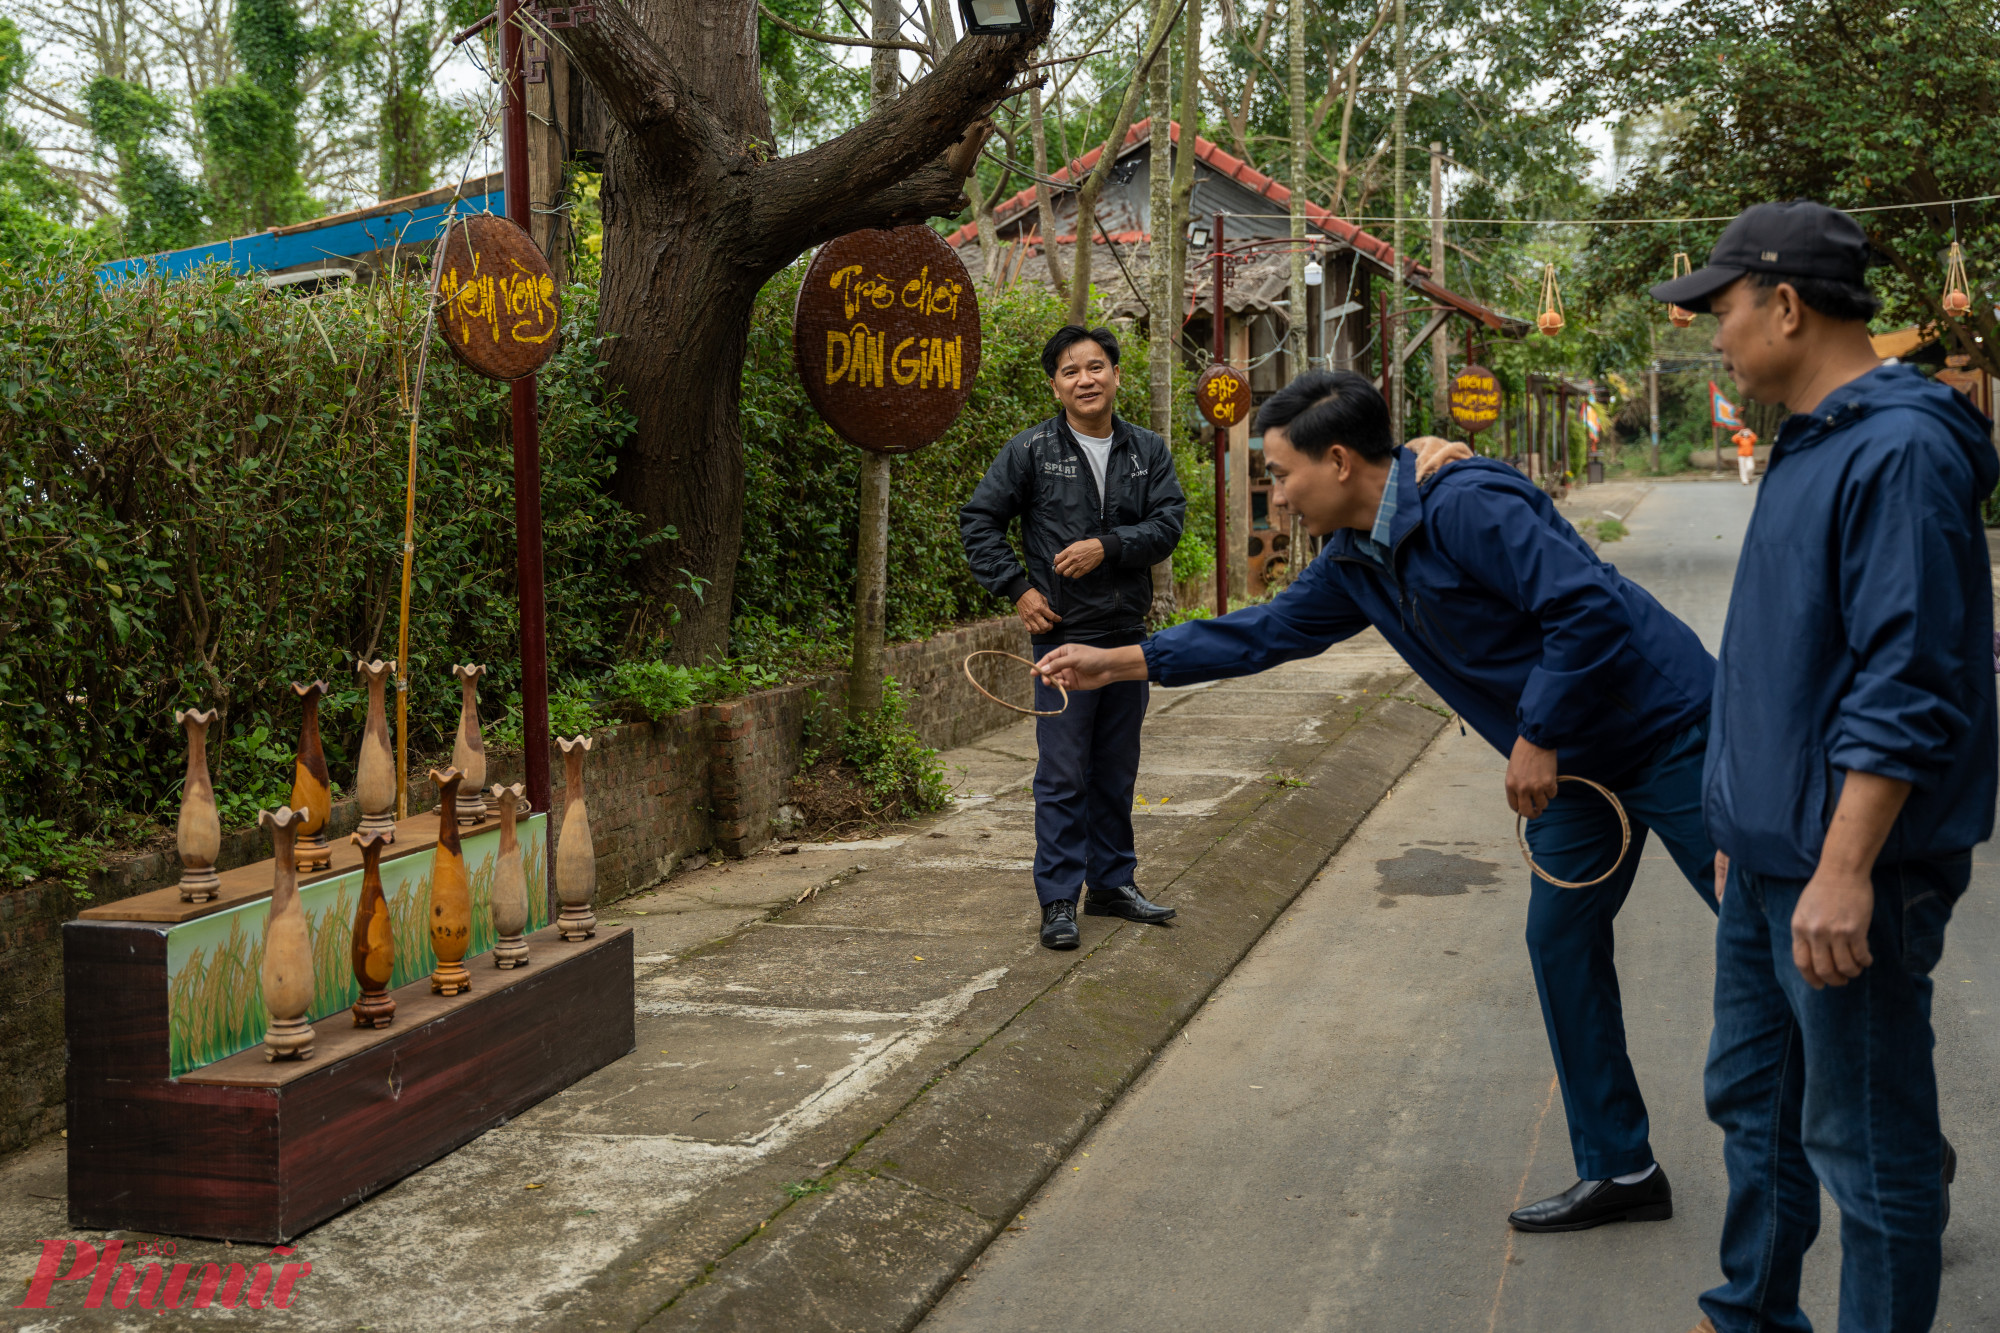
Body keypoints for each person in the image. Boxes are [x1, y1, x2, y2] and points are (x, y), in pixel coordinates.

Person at [1034, 369, 1723, 1232]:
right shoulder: (1355, 560)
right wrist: (1116, 660)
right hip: (1580, 772)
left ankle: (1879, 1127)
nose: (1276, 497)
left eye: (1281, 475)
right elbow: (1264, 632)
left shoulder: (1465, 501)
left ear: (1339, 460)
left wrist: (1536, 731)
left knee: (1769, 926)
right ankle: (1621, 1166)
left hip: (1672, 732)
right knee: (1561, 941)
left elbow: (1585, 608)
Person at [1652, 201, 1995, 1333]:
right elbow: (1784, 662)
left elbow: (1904, 681)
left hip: (1850, 870)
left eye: (1722, 310)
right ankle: (1748, 1311)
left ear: (1784, 306)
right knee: (1753, 1102)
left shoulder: (1896, 449)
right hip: (1764, 857)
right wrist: (1734, 819)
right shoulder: (1813, 441)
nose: (1714, 334)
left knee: (1865, 1145)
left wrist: (1843, 867)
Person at [959, 325, 1186, 951]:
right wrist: (1018, 591)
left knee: (1116, 769)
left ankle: (1112, 885)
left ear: (1115, 374)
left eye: (1095, 367)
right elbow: (980, 520)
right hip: (1063, 638)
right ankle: (1059, 900)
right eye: (1070, 371)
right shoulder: (1030, 450)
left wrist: (1108, 546)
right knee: (1063, 774)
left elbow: (1168, 523)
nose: (1085, 379)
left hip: (1126, 640)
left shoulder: (1147, 450)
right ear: (1055, 385)